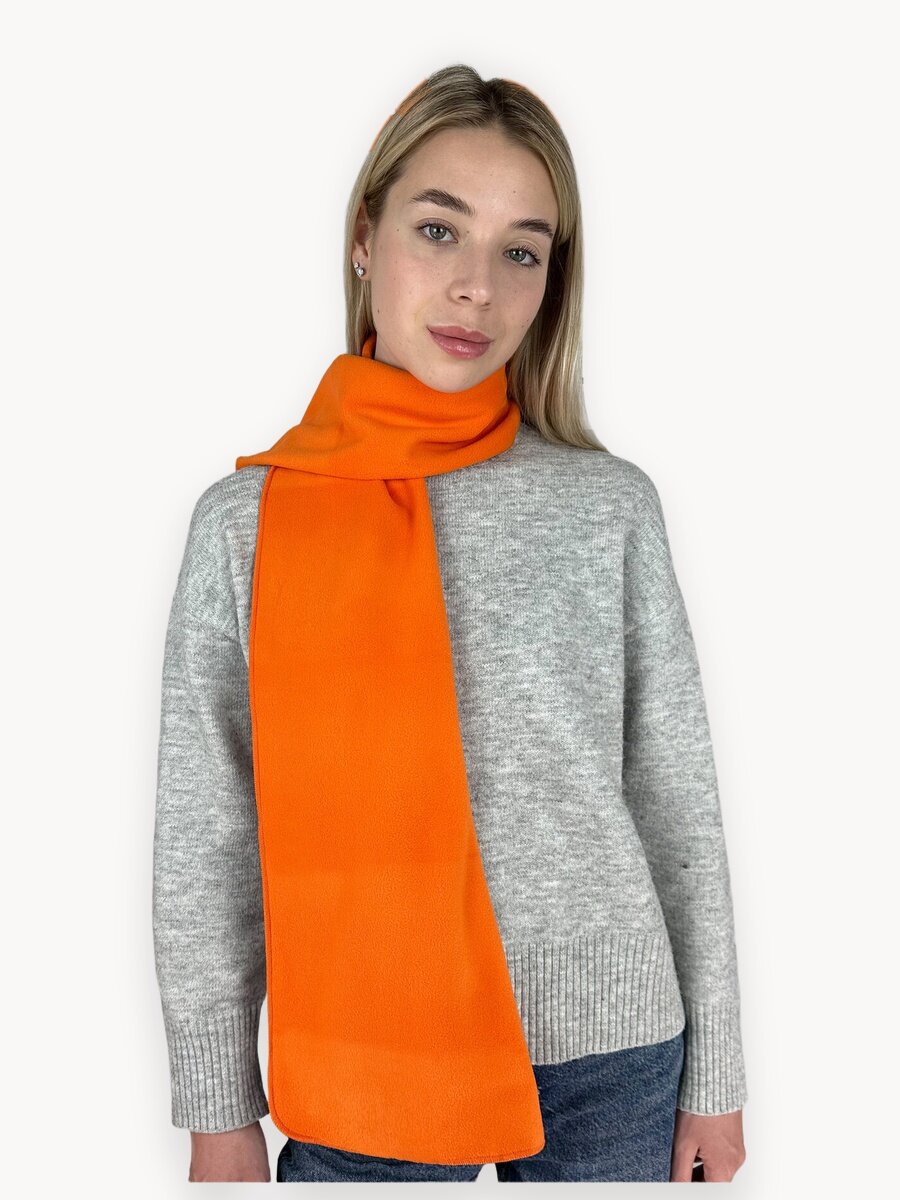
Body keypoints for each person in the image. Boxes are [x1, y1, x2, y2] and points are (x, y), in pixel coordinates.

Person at [152, 63, 748, 1183]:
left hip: (611, 1057)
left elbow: (677, 802)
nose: (477, 286)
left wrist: (715, 1075)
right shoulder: (247, 525)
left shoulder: (608, 505)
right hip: (363, 1049)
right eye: (439, 231)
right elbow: (209, 837)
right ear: (363, 238)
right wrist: (216, 1105)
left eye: (522, 250)